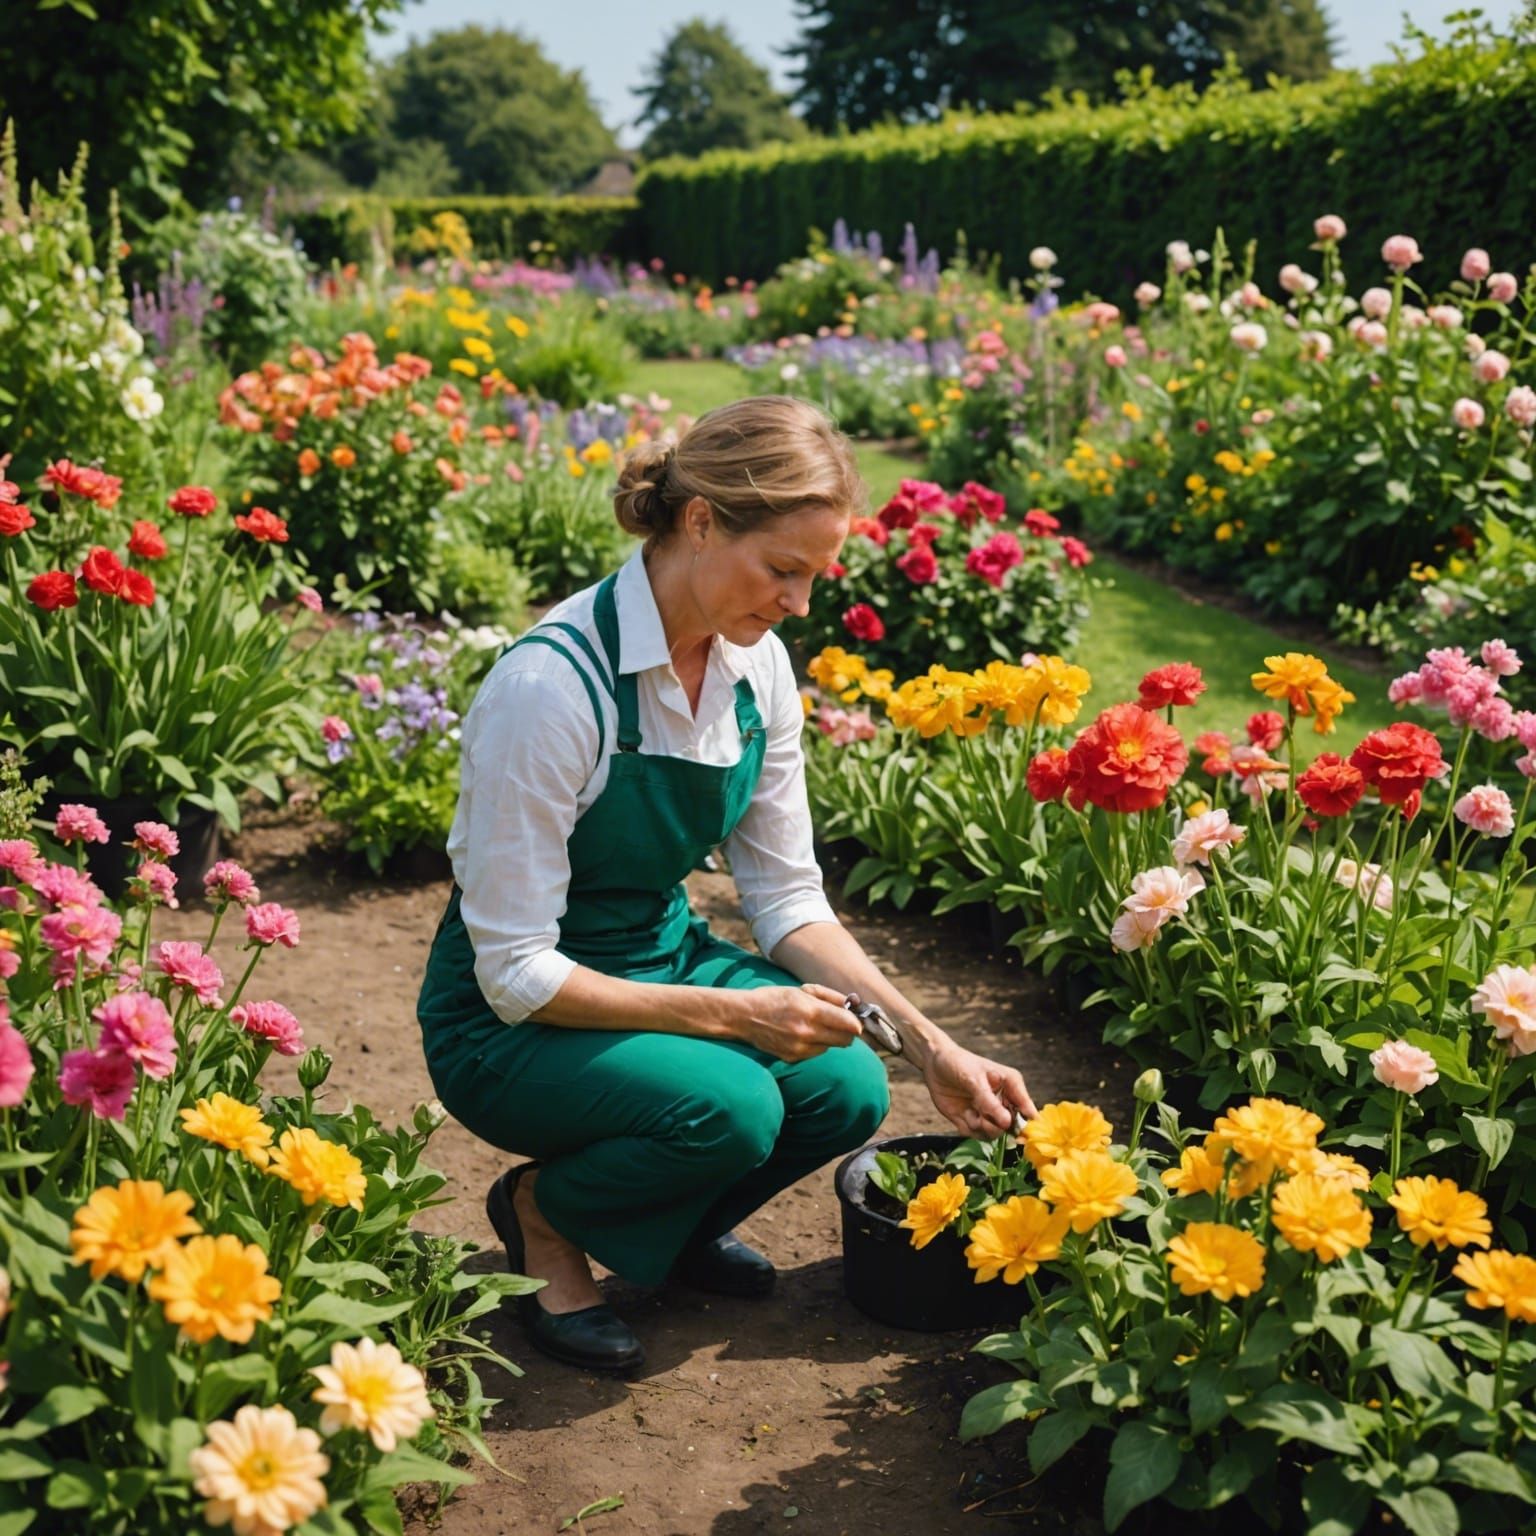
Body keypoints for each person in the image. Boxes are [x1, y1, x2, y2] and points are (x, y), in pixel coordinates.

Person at [417, 396, 1036, 1374]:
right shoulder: (551, 688)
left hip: (655, 955)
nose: (799, 604)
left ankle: (671, 1222)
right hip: (511, 1022)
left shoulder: (758, 670)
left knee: (845, 1086)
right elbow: (515, 975)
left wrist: (933, 1046)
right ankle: (542, 1216)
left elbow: (787, 899)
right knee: (734, 1105)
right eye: (782, 570)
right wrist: (737, 1018)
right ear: (699, 519)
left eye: (814, 577)